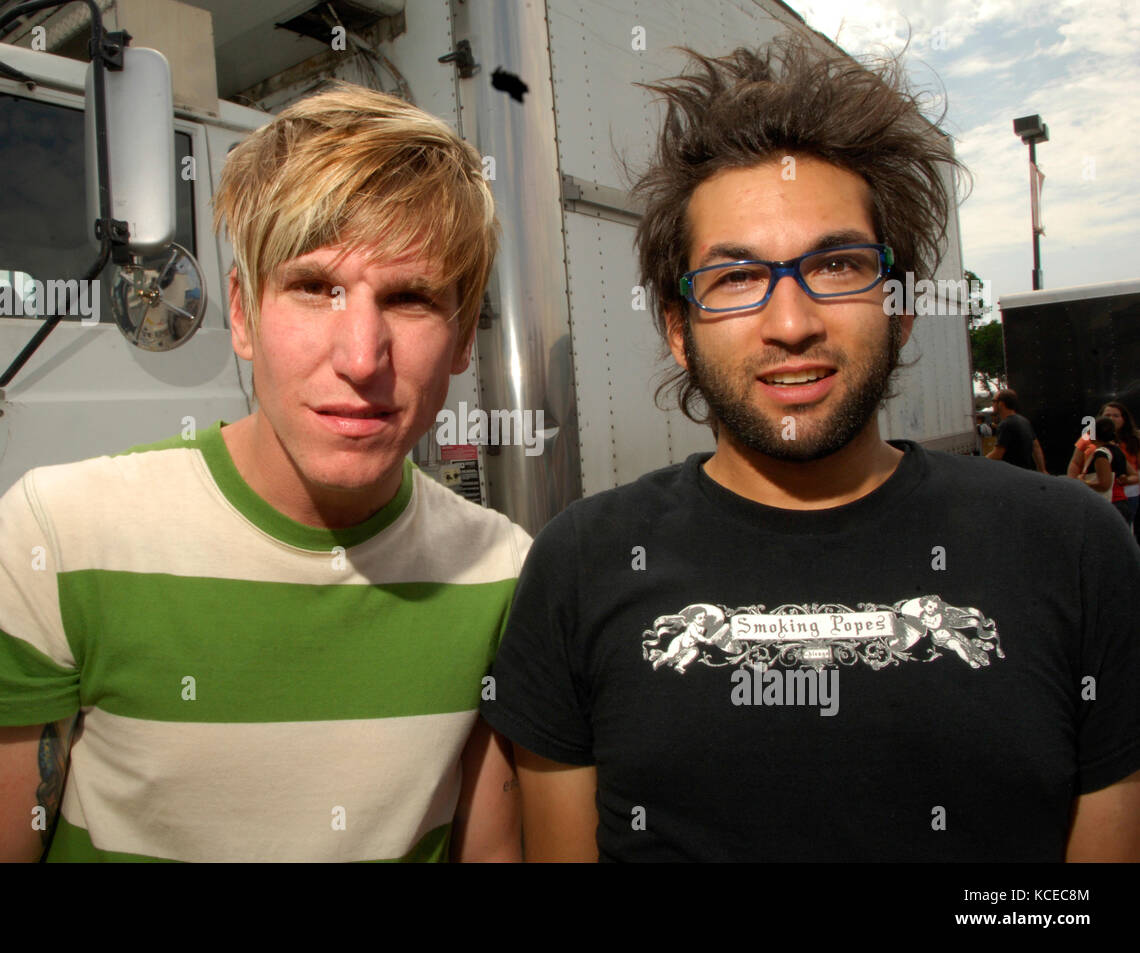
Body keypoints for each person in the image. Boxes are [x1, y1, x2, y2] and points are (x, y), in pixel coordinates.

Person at [479, 39, 1140, 862]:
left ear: (899, 310)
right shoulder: (580, 563)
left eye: (836, 264)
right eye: (736, 277)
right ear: (678, 330)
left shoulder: (1074, 547)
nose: (791, 322)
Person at [0, 83, 530, 862]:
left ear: (464, 339)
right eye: (314, 288)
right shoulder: (55, 543)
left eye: (410, 299)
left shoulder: (505, 576)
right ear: (241, 312)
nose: (360, 357)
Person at [1068, 401, 1140, 531]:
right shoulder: (1111, 448)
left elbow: (1104, 484)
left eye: (1115, 415)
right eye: (1107, 415)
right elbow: (1075, 462)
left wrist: (1082, 482)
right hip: (1109, 498)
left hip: (1113, 498)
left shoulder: (1103, 453)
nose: (1111, 418)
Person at [1075, 417, 1135, 526]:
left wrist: (1083, 483)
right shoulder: (1116, 450)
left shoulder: (1101, 454)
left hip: (1109, 503)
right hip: (1121, 502)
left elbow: (1104, 485)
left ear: (1094, 434)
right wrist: (1125, 480)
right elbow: (1135, 476)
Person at [986, 388, 1047, 472]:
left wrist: (981, 462)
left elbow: (997, 454)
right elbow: (1036, 447)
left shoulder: (1006, 424)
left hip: (1012, 474)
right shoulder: (1024, 421)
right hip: (1025, 472)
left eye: (994, 401)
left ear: (1001, 404)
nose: (992, 404)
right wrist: (1042, 470)